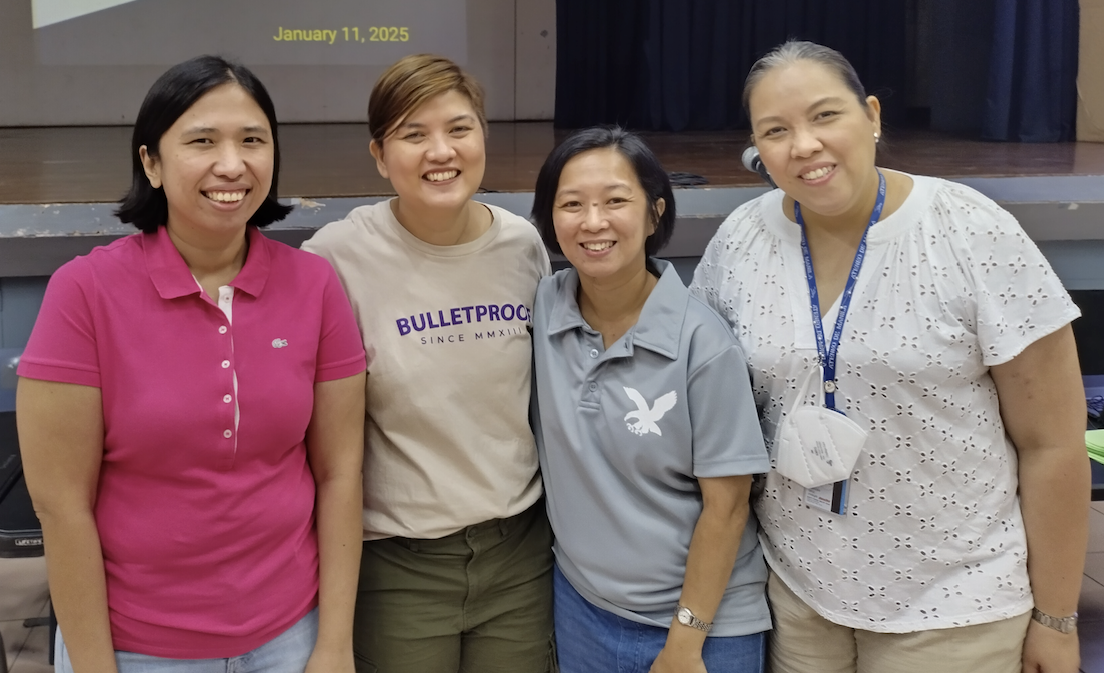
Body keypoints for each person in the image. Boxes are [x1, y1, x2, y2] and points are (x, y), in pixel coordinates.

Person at [689, 40, 1088, 673]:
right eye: (776, 130)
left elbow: (1054, 445)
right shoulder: (740, 239)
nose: (804, 146)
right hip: (798, 599)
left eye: (825, 116)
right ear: (757, 148)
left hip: (957, 607)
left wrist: (1057, 619)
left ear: (871, 115)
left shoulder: (969, 229)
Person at [17, 55, 367, 673]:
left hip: (291, 635)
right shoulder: (85, 293)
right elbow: (61, 507)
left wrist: (333, 645)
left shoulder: (314, 285)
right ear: (151, 162)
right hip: (138, 648)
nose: (232, 164)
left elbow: (339, 474)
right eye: (202, 141)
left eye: (253, 141)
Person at [300, 54, 554, 673]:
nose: (441, 151)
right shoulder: (336, 258)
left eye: (459, 129)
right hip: (398, 564)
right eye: (414, 135)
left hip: (517, 553)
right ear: (381, 156)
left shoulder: (522, 245)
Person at [529, 126, 771, 673]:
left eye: (616, 201)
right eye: (571, 204)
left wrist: (685, 643)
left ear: (655, 213)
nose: (593, 222)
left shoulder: (702, 346)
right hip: (582, 607)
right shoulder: (544, 307)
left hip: (699, 626)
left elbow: (727, 506)